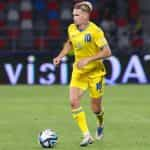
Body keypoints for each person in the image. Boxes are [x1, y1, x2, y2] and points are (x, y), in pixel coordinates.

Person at [53, 1, 112, 147]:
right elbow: (69, 43)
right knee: (73, 101)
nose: (74, 18)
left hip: (95, 73)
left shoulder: (95, 31)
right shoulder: (71, 28)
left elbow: (107, 52)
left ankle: (100, 123)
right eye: (73, 15)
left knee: (95, 108)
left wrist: (88, 59)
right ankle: (87, 135)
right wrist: (60, 56)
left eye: (77, 15)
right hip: (79, 72)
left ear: (85, 16)